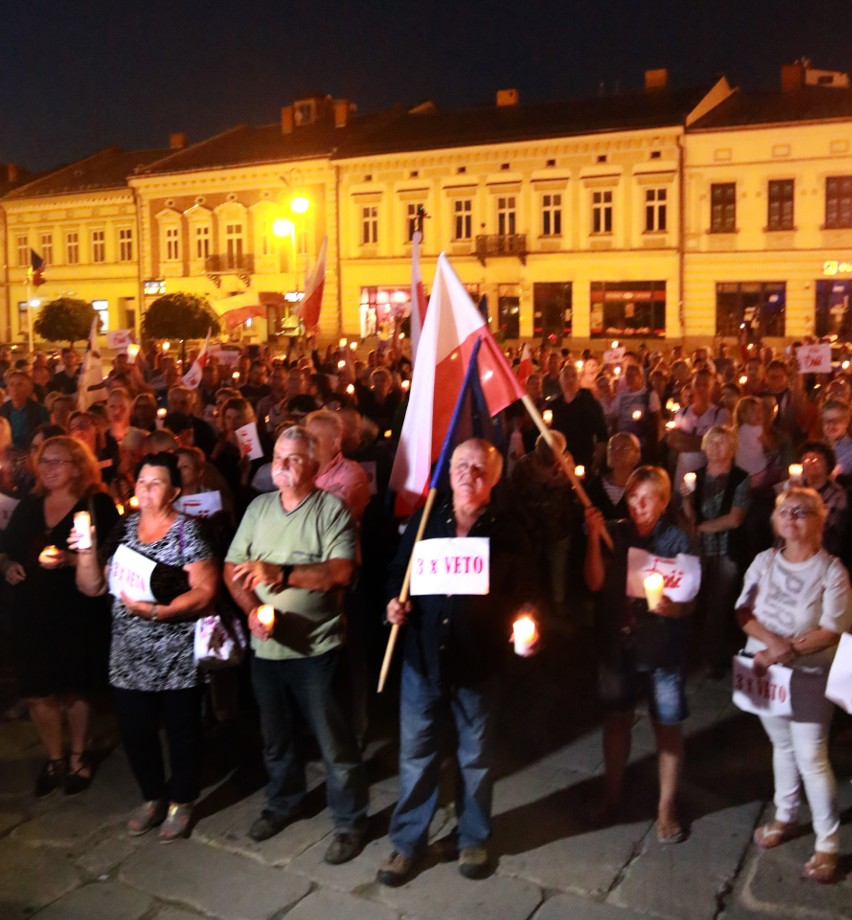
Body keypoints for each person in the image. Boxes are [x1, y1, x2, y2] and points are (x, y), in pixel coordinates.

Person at [377, 439, 538, 886]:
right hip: (422, 662)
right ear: (449, 473)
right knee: (416, 757)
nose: (469, 473)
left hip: (478, 665)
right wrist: (393, 602)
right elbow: (397, 572)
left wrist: (528, 624)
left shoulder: (509, 531)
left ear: (495, 476)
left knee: (476, 758)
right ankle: (407, 843)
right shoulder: (426, 520)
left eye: (479, 467)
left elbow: (527, 593)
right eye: (461, 465)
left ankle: (473, 837)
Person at [224, 426, 368, 864]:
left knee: (334, 740)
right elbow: (233, 567)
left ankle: (350, 821)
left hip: (316, 651)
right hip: (266, 650)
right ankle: (284, 801)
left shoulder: (331, 510)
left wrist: (281, 574)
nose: (281, 466)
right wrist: (251, 609)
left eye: (293, 459)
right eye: (277, 458)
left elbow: (341, 572)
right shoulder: (258, 508)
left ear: (315, 465)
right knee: (276, 736)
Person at [71, 452, 219, 842]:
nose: (147, 490)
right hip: (127, 655)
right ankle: (152, 795)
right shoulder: (123, 528)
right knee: (135, 731)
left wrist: (158, 612)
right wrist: (85, 552)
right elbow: (93, 587)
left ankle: (183, 800)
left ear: (173, 490)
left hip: (176, 654)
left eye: (156, 483)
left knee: (182, 730)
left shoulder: (189, 532)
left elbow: (205, 593)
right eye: (141, 482)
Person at [736, 487, 852, 884]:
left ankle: (828, 843)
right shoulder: (764, 561)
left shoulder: (831, 571)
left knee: (811, 755)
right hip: (764, 671)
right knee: (781, 745)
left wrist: (787, 651)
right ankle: (786, 815)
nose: (791, 517)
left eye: (802, 511)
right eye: (785, 510)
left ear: (819, 521)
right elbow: (744, 610)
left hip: (809, 676)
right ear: (775, 520)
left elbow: (833, 628)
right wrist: (771, 647)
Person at [0, 436, 118, 797]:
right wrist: (7, 565)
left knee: (75, 687)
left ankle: (79, 755)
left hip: (76, 610)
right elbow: (4, 549)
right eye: (44, 461)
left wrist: (70, 560)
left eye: (57, 462)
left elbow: (113, 558)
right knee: (38, 689)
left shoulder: (96, 504)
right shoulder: (30, 505)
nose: (48, 468)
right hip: (31, 612)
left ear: (77, 466)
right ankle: (54, 757)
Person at [584, 466, 692, 844]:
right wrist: (595, 539)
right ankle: (612, 794)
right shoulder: (616, 531)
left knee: (667, 723)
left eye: (648, 498)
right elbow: (595, 581)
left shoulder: (677, 539)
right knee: (616, 719)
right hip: (619, 642)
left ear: (664, 502)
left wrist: (671, 607)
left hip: (661, 645)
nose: (639, 506)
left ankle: (666, 807)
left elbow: (688, 598)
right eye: (633, 497)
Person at [679, 426, 750, 677]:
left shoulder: (740, 478)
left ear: (732, 448)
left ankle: (711, 657)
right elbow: (690, 516)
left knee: (718, 605)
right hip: (700, 551)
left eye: (721, 443)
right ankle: (692, 653)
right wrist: (687, 499)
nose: (715, 447)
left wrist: (701, 527)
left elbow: (735, 518)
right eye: (711, 442)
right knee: (695, 601)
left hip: (725, 549)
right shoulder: (696, 476)